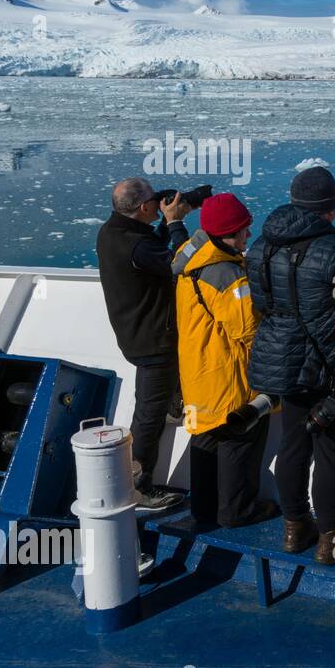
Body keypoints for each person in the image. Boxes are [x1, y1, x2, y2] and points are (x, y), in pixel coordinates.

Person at [246, 166, 335, 565]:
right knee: (332, 455)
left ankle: (294, 529)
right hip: (331, 367)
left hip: (285, 367)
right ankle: (334, 540)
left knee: (292, 446)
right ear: (331, 208)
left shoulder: (260, 247)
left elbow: (263, 307)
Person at [173, 193, 280, 530]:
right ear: (226, 234)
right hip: (227, 374)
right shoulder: (226, 275)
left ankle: (204, 509)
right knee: (239, 438)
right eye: (243, 231)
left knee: (205, 438)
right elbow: (248, 329)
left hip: (199, 369)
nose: (248, 236)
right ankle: (237, 511)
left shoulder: (192, 259)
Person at [96, 177, 191, 513]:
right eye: (154, 200)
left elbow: (153, 254)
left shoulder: (113, 232)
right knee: (148, 416)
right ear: (143, 208)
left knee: (152, 407)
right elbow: (182, 263)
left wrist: (166, 224)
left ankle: (173, 401)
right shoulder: (136, 244)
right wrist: (176, 223)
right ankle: (137, 488)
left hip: (137, 334)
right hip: (154, 342)